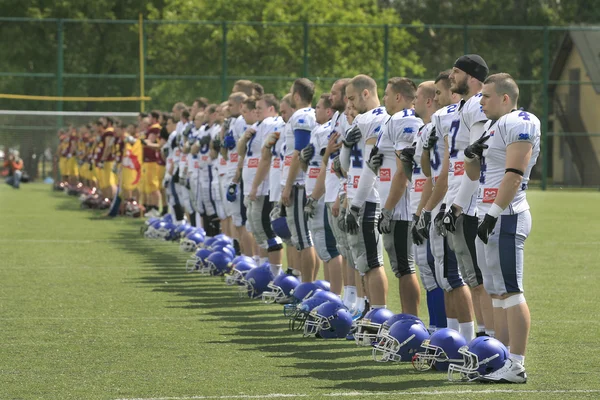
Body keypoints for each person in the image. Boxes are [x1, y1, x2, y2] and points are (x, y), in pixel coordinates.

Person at [445, 73, 539, 383]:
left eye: (486, 96)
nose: (480, 101)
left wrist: (493, 213)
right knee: (497, 293)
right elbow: (475, 173)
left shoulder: (520, 121)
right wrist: (459, 203)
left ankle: (517, 364)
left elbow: (513, 174)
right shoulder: (491, 127)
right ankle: (500, 355)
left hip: (506, 214)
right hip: (489, 214)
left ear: (505, 98)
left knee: (511, 291)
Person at [374, 77, 423, 316]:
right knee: (401, 267)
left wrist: (388, 209)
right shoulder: (395, 120)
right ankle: (407, 317)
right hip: (394, 204)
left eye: (386, 94)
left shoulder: (404, 119)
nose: (383, 98)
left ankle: (410, 319)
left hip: (401, 208)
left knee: (405, 267)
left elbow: (404, 171)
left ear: (397, 97)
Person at [341, 74, 390, 312]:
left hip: (369, 199)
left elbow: (373, 165)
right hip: (356, 196)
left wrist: (356, 204)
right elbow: (344, 167)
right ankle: (367, 309)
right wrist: (345, 145)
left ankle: (378, 314)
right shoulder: (360, 119)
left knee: (372, 262)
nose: (349, 104)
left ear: (366, 93)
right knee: (362, 262)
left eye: (352, 98)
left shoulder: (378, 118)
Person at [300, 93, 343, 294]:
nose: (314, 111)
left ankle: (334, 295)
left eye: (317, 107)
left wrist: (314, 197)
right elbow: (314, 166)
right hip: (318, 192)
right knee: (324, 249)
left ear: (328, 111)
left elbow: (328, 163)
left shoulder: (326, 131)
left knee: (330, 249)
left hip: (325, 194)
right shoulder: (318, 129)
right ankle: (330, 293)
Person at [281, 78, 318, 282]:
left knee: (303, 240)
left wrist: (288, 185)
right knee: (308, 238)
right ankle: (309, 284)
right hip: (306, 181)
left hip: (300, 183)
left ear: (296, 95)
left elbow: (299, 152)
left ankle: (307, 285)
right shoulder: (311, 115)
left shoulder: (302, 116)